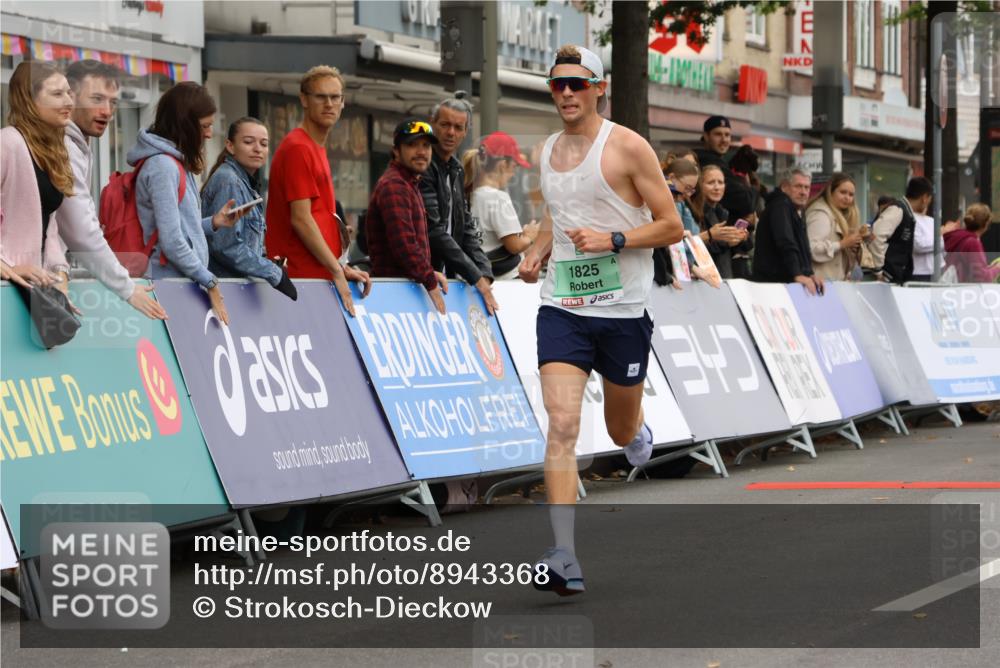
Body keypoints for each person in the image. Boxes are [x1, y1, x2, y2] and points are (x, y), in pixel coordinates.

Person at [518, 45, 683, 596]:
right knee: (562, 425)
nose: (566, 93)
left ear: (599, 88)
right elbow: (558, 215)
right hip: (562, 306)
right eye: (557, 84)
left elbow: (671, 226)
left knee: (618, 429)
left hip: (622, 310)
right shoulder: (547, 151)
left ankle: (637, 433)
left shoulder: (628, 147)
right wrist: (537, 252)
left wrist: (614, 238)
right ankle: (563, 554)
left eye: (577, 84)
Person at [56, 60, 169, 319]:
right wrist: (127, 288)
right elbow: (81, 229)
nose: (107, 111)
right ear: (70, 97)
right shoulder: (64, 147)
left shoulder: (77, 144)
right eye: (97, 99)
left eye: (113, 102)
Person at [127, 82, 245, 324]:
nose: (209, 134)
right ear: (184, 124)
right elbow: (171, 241)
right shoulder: (163, 167)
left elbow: (178, 231)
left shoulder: (175, 163)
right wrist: (209, 281)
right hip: (165, 290)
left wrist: (213, 222)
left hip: (177, 286)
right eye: (205, 126)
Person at [265, 65, 370, 316]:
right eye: (321, 97)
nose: (329, 104)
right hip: (300, 282)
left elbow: (320, 217)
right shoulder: (298, 148)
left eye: (335, 97)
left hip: (315, 278)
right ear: (304, 99)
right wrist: (336, 269)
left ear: (343, 102)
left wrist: (340, 267)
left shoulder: (313, 147)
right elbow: (301, 219)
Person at [201, 116, 297, 300]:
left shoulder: (242, 182)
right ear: (230, 146)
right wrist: (274, 273)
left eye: (264, 144)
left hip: (236, 291)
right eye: (248, 142)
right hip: (224, 292)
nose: (257, 149)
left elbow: (243, 244)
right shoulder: (230, 181)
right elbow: (226, 246)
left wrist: (267, 260)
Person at [1, 61, 74, 300]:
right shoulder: (7, 143)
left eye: (69, 93)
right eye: (57, 94)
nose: (69, 101)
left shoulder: (52, 151)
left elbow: (47, 224)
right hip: (8, 290)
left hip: (30, 290)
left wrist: (59, 273)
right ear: (29, 100)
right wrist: (6, 265)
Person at [422, 96, 497, 314]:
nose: (451, 132)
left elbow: (465, 227)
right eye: (445, 125)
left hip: (448, 281)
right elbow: (433, 230)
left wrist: (484, 271)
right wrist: (475, 275)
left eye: (458, 127)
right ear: (432, 124)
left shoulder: (456, 169)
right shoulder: (423, 167)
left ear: (465, 132)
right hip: (422, 280)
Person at [366, 119, 449, 313]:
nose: (421, 152)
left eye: (426, 145)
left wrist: (429, 273)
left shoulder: (408, 183)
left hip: (403, 293)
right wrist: (429, 280)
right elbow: (405, 244)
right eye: (412, 144)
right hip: (393, 297)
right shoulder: (395, 185)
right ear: (396, 150)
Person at [465, 132, 540, 280]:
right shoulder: (498, 197)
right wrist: (529, 236)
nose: (513, 173)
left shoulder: (469, 194)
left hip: (480, 277)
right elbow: (515, 246)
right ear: (502, 165)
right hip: (506, 280)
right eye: (514, 166)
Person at [752, 167, 823, 294]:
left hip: (782, 284)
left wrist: (809, 273)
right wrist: (797, 274)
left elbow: (802, 246)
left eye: (807, 187)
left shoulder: (795, 209)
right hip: (772, 286)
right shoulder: (781, 205)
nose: (803, 192)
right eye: (798, 186)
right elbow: (785, 241)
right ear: (785, 187)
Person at [864, 176, 933, 284]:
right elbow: (876, 236)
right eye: (929, 199)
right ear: (924, 198)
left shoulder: (906, 212)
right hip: (886, 279)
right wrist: (879, 271)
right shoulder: (898, 210)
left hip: (893, 278)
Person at [689, 163, 748, 278]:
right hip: (700, 278)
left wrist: (739, 239)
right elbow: (691, 248)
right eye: (711, 183)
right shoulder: (693, 211)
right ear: (700, 185)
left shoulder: (723, 212)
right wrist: (724, 241)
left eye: (720, 182)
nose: (717, 188)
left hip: (722, 276)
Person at [804, 172, 864, 282]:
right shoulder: (821, 213)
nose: (847, 198)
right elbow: (812, 249)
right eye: (843, 192)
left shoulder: (840, 213)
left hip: (832, 282)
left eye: (851, 195)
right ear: (830, 191)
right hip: (819, 283)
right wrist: (842, 244)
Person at [945, 203, 1000, 283]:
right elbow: (981, 278)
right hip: (964, 288)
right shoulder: (972, 243)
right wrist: (997, 268)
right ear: (986, 224)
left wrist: (988, 269)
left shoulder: (958, 237)